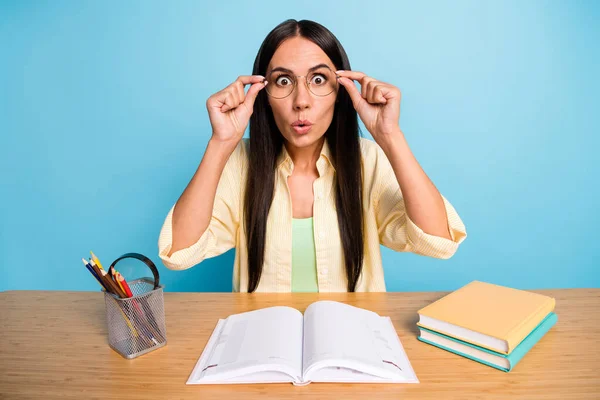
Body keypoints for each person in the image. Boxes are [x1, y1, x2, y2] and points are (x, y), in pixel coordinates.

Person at [158, 19, 467, 293]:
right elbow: (180, 253)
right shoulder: (240, 162)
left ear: (341, 91)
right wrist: (221, 142)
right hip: (263, 346)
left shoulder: (367, 160)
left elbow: (438, 242)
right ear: (261, 95)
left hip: (353, 344)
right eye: (283, 81)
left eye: (318, 80)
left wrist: (390, 137)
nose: (301, 101)